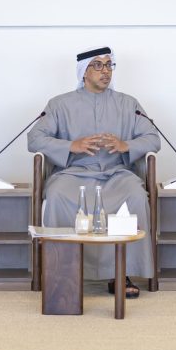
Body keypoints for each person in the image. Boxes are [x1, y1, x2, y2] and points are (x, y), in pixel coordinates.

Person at [28, 46, 161, 297]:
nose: (105, 71)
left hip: (116, 174)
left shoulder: (128, 104)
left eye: (109, 65)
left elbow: (153, 138)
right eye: (98, 65)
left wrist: (126, 145)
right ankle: (64, 271)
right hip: (73, 174)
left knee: (135, 195)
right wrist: (71, 146)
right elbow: (34, 139)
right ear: (84, 72)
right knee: (57, 195)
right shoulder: (59, 104)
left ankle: (121, 273)